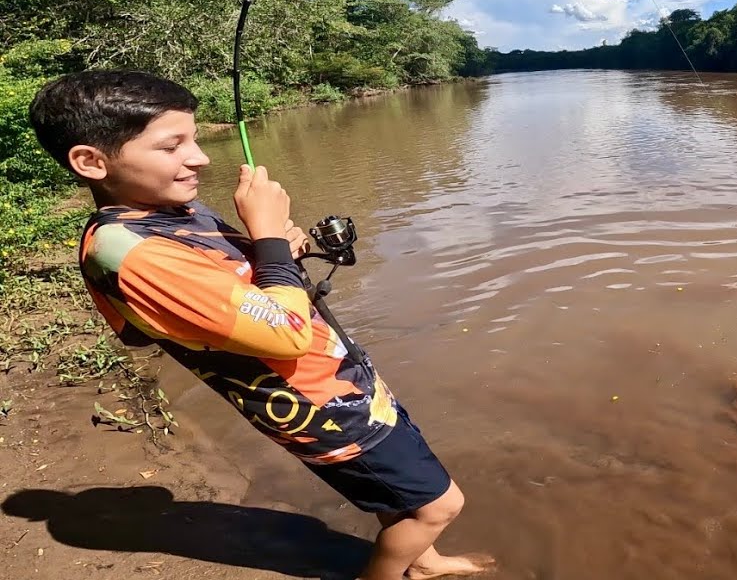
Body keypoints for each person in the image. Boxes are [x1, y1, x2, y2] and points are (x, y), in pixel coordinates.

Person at [27, 70, 494, 580]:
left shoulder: (169, 212)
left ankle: (422, 562)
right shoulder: (134, 255)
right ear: (91, 161)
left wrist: (270, 252)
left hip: (340, 382)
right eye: (172, 145)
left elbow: (226, 287)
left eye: (195, 139)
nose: (200, 157)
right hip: (318, 407)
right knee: (438, 506)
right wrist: (269, 237)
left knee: (399, 495)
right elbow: (286, 333)